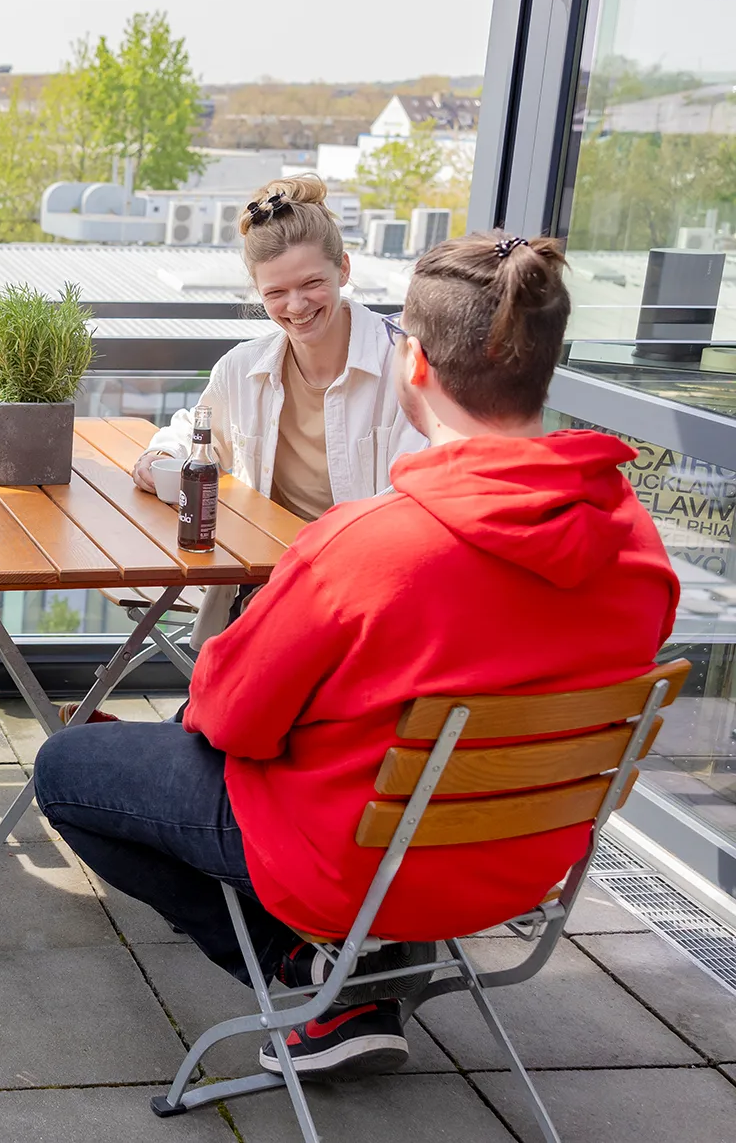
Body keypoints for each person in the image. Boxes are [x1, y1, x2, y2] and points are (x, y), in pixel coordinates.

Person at [35, 232, 679, 1078]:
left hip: (355, 865)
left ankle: (313, 978)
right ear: (546, 366)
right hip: (524, 860)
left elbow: (228, 719)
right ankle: (360, 967)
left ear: (413, 364)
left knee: (68, 768)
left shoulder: (371, 544)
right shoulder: (636, 543)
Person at [134, 175, 425, 631]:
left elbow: (416, 497)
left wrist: (312, 566)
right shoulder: (241, 368)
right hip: (267, 583)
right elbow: (199, 431)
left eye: (312, 283)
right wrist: (162, 455)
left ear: (343, 270)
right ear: (257, 290)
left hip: (364, 589)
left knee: (236, 687)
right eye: (275, 293)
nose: (296, 305)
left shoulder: (404, 366)